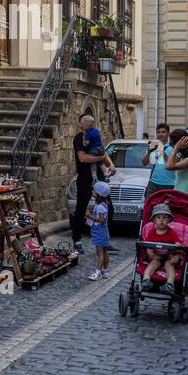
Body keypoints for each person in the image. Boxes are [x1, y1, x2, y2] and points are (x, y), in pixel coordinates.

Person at [70, 112, 112, 254]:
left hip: (99, 178)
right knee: (81, 209)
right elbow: (83, 158)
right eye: (84, 120)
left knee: (108, 208)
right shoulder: (78, 138)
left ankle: (105, 241)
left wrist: (110, 164)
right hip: (85, 178)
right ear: (80, 124)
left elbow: (102, 150)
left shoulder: (95, 134)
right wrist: (100, 158)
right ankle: (77, 240)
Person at [140, 202, 188, 291]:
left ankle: (170, 284)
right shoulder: (152, 232)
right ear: (154, 220)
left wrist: (177, 256)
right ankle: (146, 280)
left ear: (169, 219)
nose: (161, 220)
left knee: (169, 265)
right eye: (158, 218)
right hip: (156, 256)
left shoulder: (171, 232)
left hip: (168, 257)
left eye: (164, 218)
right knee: (153, 264)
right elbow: (148, 245)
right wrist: (150, 253)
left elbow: (178, 245)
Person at [86, 181, 111, 280]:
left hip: (100, 232)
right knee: (104, 251)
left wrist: (89, 216)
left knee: (100, 252)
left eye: (94, 190)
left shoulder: (100, 206)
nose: (92, 191)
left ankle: (98, 272)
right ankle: (105, 271)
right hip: (101, 232)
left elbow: (101, 220)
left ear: (99, 194)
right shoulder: (102, 204)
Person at [142, 122, 175, 199]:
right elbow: (144, 163)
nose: (161, 134)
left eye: (163, 132)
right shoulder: (153, 146)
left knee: (168, 209)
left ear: (168, 133)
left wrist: (162, 151)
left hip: (169, 184)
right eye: (159, 132)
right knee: (150, 207)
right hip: (153, 183)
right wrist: (149, 152)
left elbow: (173, 164)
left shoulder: (173, 148)